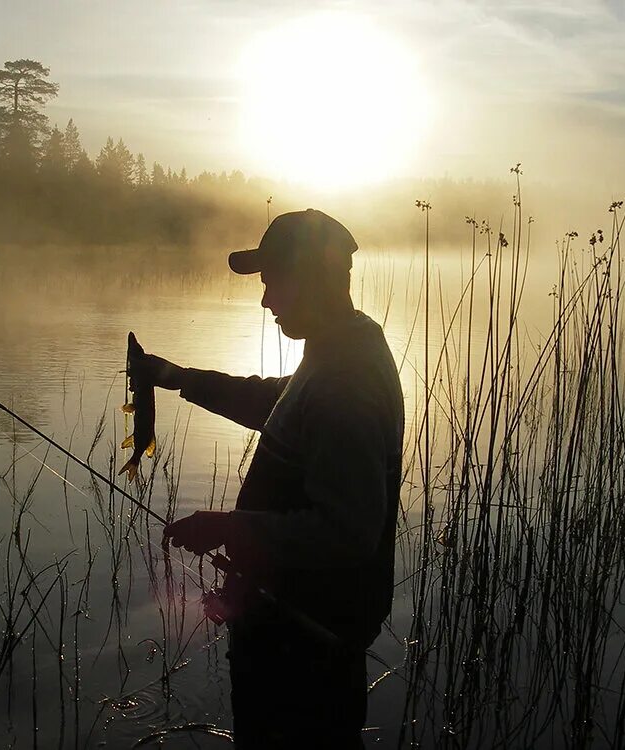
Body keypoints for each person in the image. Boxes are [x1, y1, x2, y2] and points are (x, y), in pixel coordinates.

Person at [131, 209, 404, 748]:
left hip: (307, 646)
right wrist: (178, 379)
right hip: (295, 632)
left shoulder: (345, 381)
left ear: (309, 278)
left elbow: (347, 532)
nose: (265, 300)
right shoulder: (337, 352)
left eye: (272, 281)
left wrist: (232, 529)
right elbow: (277, 401)